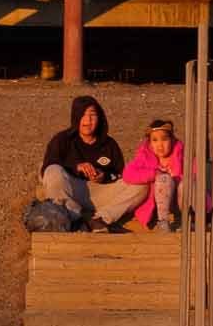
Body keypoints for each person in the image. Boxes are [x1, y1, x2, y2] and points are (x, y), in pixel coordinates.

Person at [36, 95, 148, 232]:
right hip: (71, 190)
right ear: (76, 117)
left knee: (142, 185)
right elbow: (48, 165)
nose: (88, 120)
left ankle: (100, 220)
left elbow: (120, 174)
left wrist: (103, 176)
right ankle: (74, 218)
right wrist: (76, 167)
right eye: (83, 115)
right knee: (52, 170)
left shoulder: (109, 144)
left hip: (100, 192)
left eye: (92, 115)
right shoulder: (62, 140)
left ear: (99, 118)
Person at [120, 118, 185, 231]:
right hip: (157, 204)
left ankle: (187, 218)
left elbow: (195, 174)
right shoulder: (144, 157)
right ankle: (162, 222)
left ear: (172, 139)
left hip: (179, 201)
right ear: (149, 143)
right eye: (155, 140)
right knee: (163, 179)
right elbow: (127, 174)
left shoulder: (181, 155)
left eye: (164, 139)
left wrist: (178, 180)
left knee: (186, 183)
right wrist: (153, 174)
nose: (160, 145)